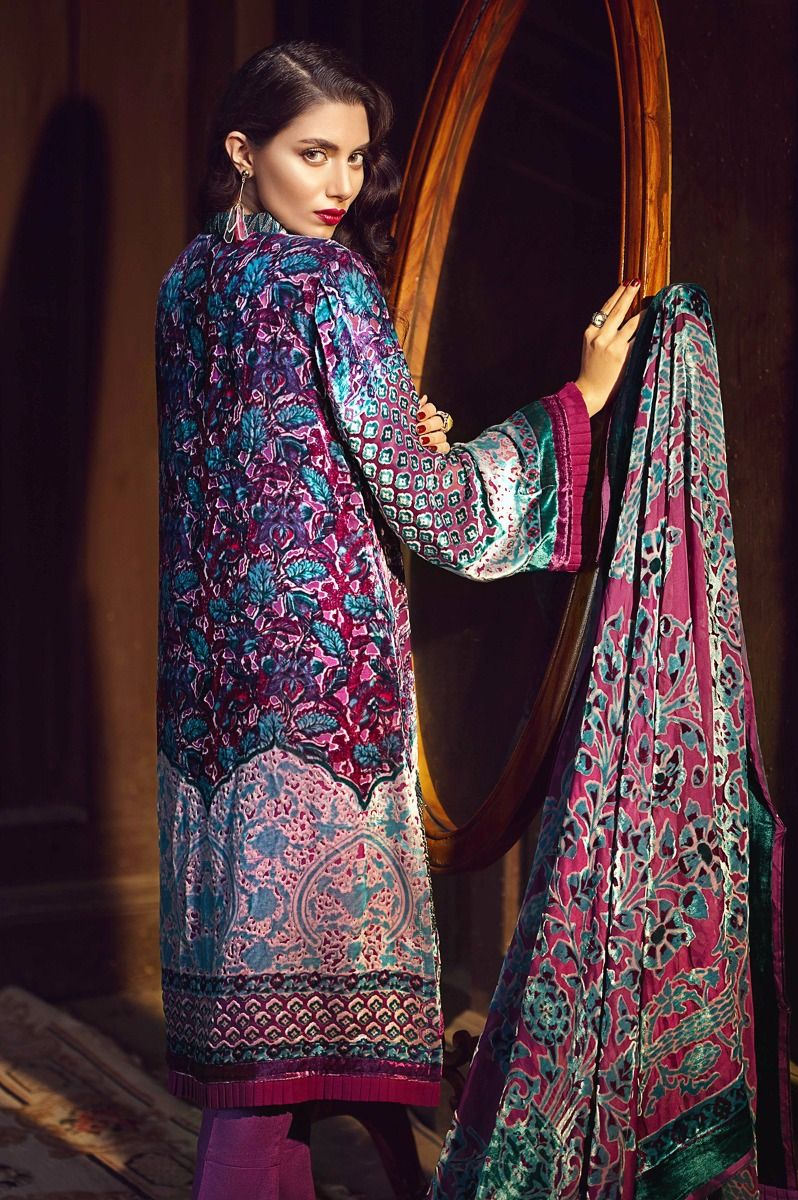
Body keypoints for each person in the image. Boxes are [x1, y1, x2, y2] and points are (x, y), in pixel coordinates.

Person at [155, 39, 641, 1200]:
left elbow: (250, 458)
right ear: (243, 150)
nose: (337, 185)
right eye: (310, 154)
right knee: (282, 1058)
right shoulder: (327, 286)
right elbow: (433, 511)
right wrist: (574, 404)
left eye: (353, 158)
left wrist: (376, 431)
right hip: (318, 704)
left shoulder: (188, 281)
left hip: (211, 694)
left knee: (261, 1054)